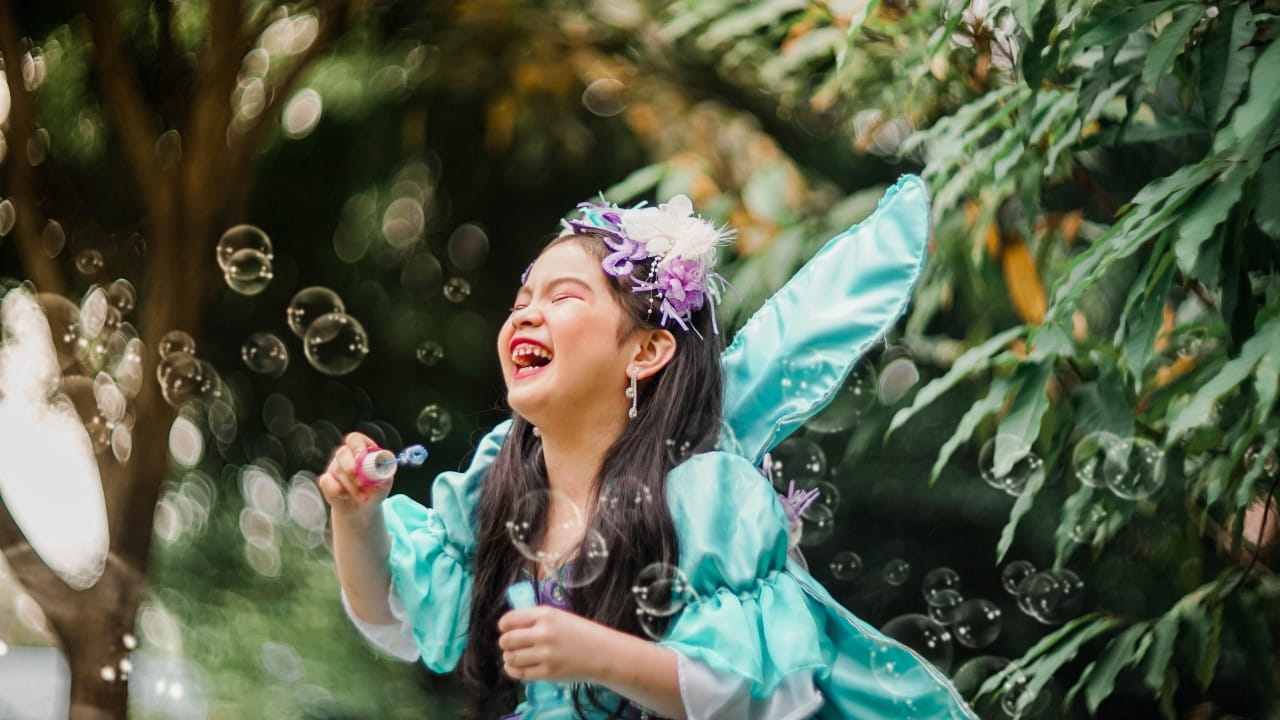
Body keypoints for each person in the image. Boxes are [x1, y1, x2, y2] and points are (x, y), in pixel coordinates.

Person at [320, 177, 977, 719]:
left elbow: (755, 694)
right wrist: (356, 518)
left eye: (564, 296)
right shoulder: (499, 480)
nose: (524, 314)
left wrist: (595, 655)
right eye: (521, 300)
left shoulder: (701, 497)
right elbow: (394, 618)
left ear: (646, 351)